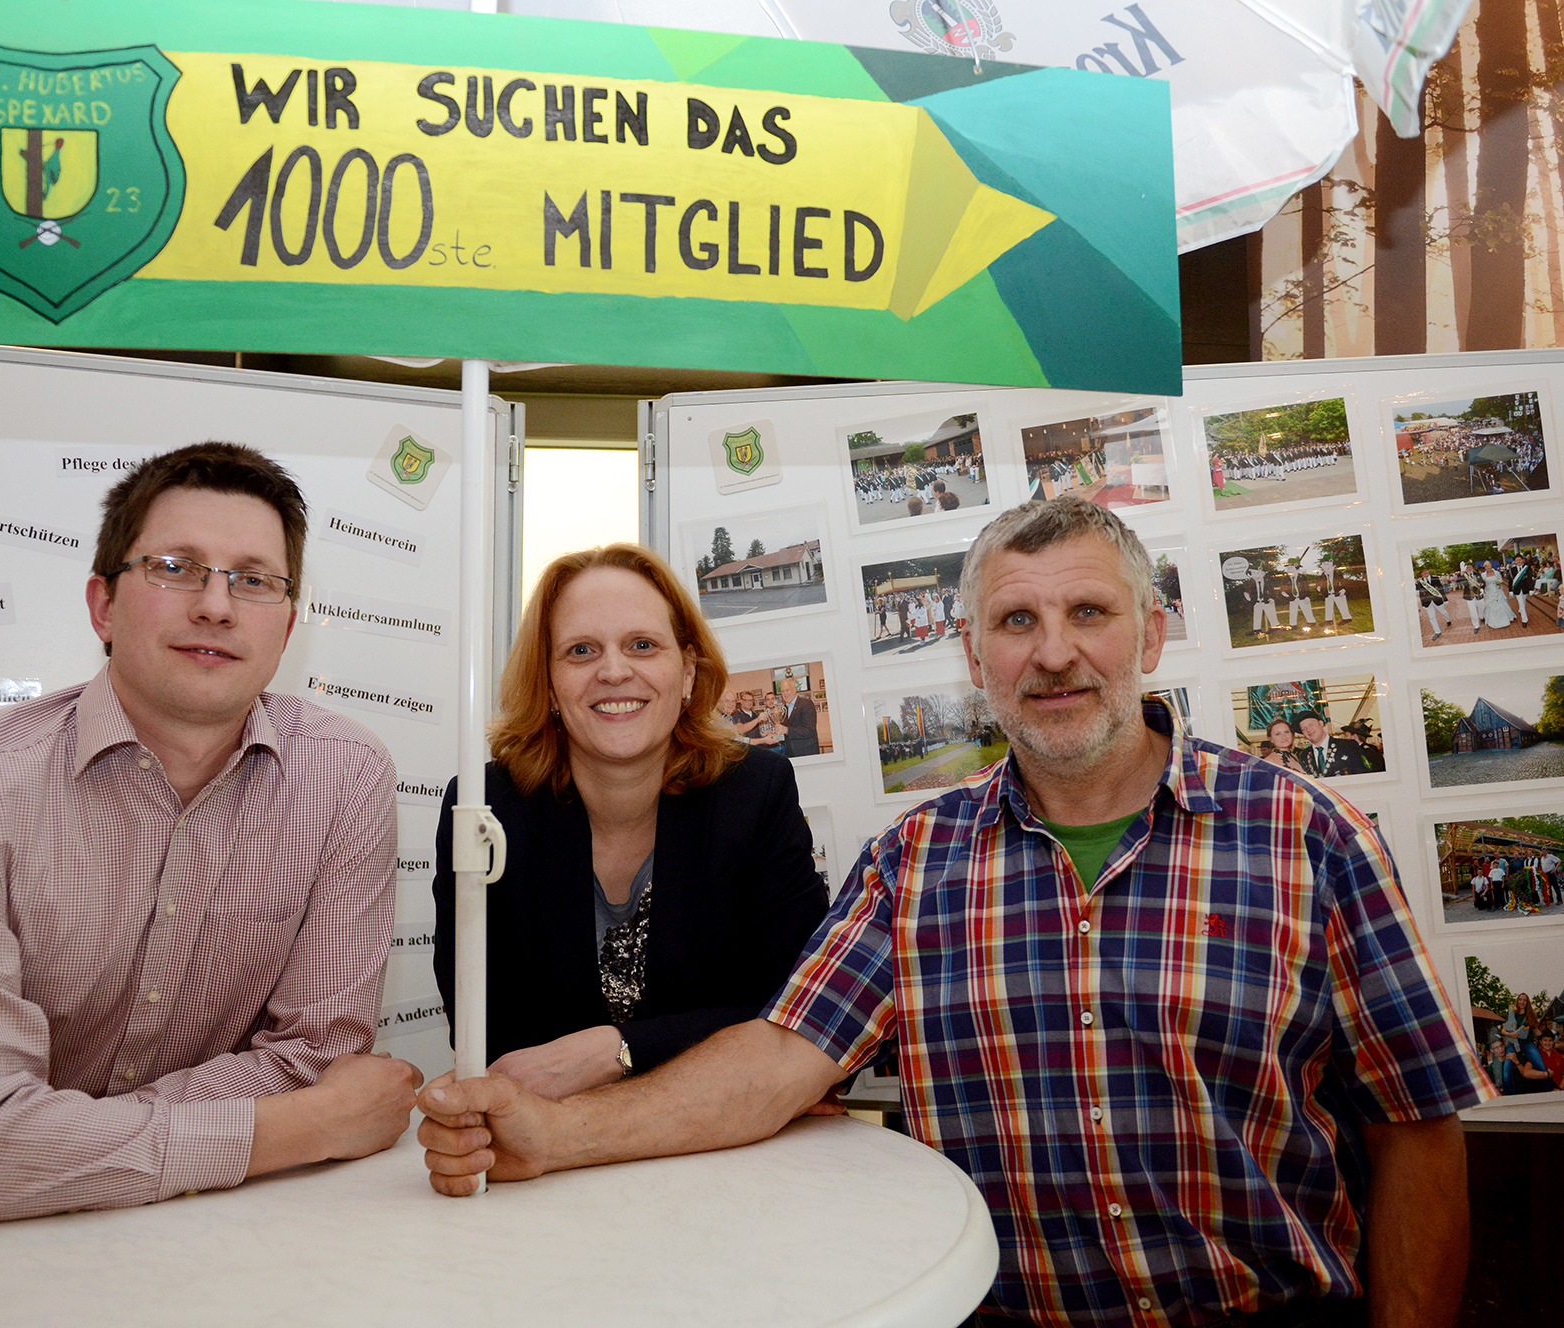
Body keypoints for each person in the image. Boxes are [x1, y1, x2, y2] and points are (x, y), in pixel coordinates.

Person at [419, 497, 1491, 1328]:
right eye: (1016, 621)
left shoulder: (1311, 836)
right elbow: (777, 1058)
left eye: (1088, 613)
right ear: (975, 657)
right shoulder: (916, 862)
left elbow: (1418, 1123)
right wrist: (550, 1133)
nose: (1054, 652)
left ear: (1152, 634)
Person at [0, 444, 422, 1326]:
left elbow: (314, 1056)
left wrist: (25, 1155)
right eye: (176, 568)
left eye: (255, 580)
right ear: (103, 603)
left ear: (289, 625)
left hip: (193, 1214)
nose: (216, 605)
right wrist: (304, 1125)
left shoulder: (347, 776)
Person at [431, 543, 827, 1100]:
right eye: (581, 651)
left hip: (728, 1137)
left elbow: (802, 1013)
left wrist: (618, 1051)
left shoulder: (756, 792)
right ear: (548, 682)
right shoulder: (483, 808)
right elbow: (488, 1034)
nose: (614, 672)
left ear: (687, 671)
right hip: (549, 1139)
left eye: (642, 645)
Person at [1297, 711, 1376, 778]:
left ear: (1321, 723)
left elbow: (1364, 774)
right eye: (1304, 729)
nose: (1308, 729)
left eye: (1311, 724)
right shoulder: (1303, 755)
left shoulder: (1348, 746)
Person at [777, 674, 821, 757]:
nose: (785, 693)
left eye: (787, 690)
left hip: (806, 753)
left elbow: (809, 731)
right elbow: (785, 734)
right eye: (782, 691)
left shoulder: (806, 704)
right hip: (790, 754)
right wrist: (775, 735)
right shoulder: (784, 709)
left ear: (794, 690)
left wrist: (787, 730)